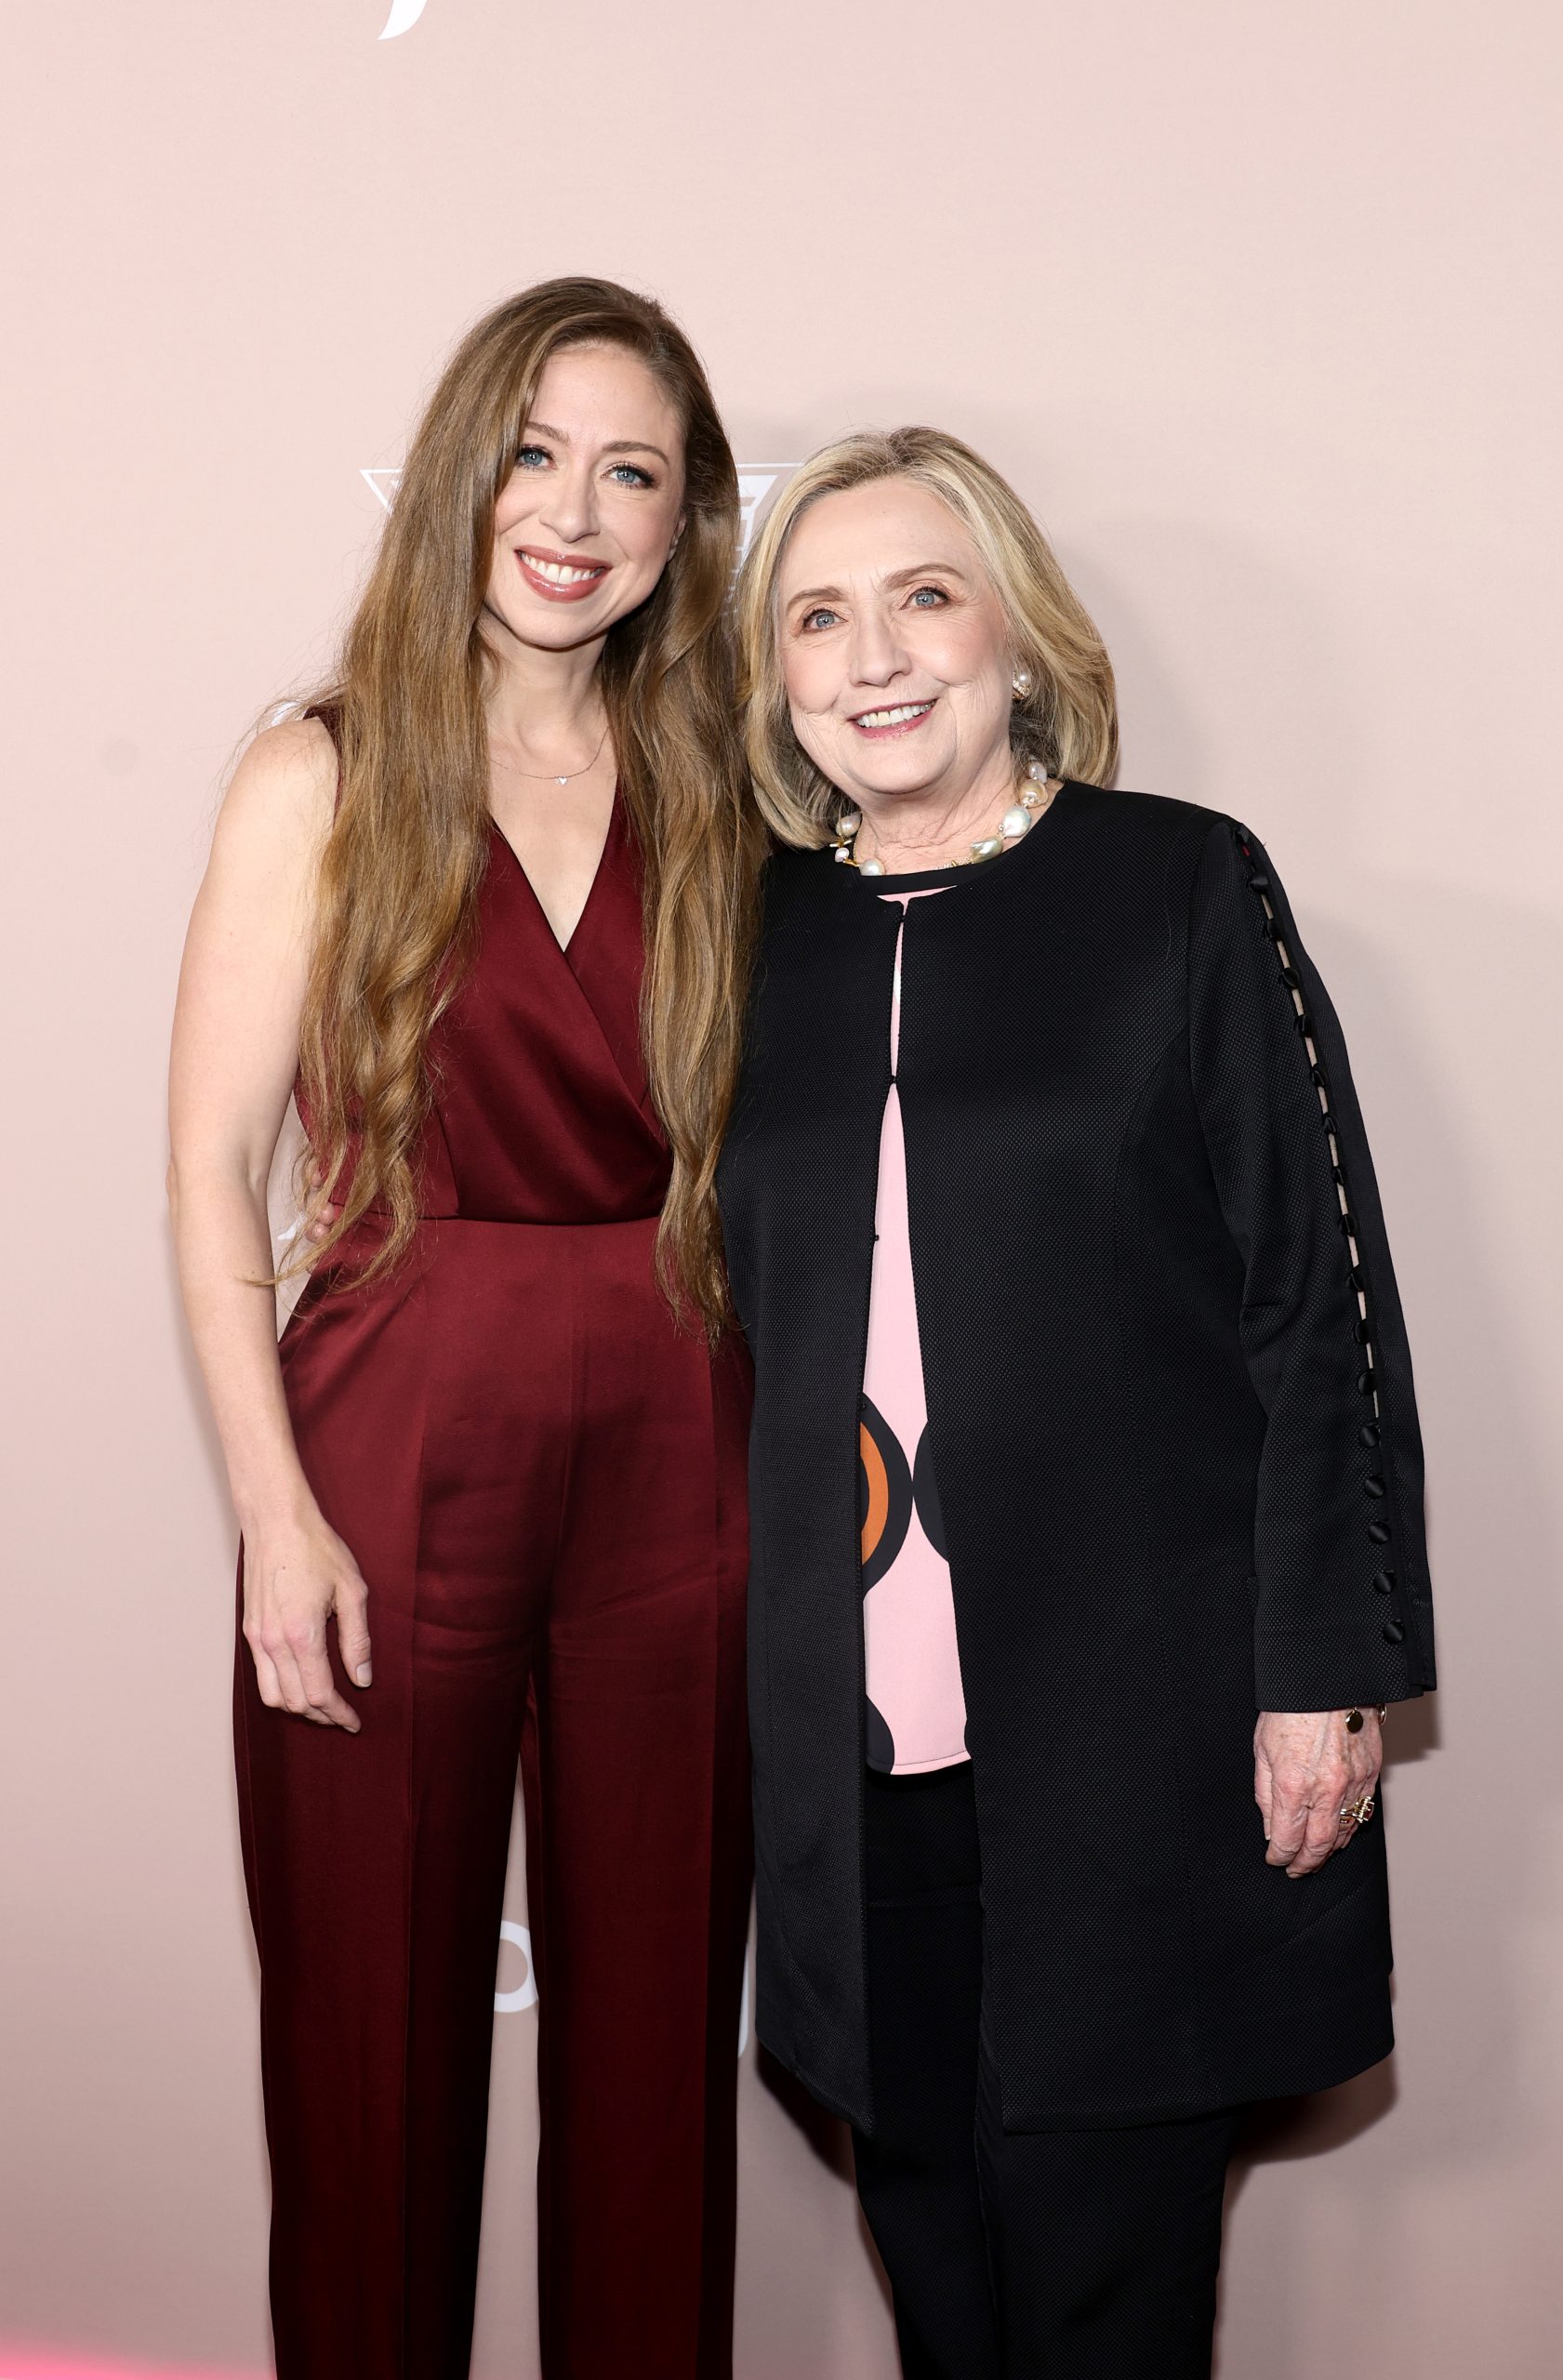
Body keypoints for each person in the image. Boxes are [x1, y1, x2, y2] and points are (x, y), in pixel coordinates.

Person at [717, 427, 1437, 2379]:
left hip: (1138, 1732)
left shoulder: (1176, 884)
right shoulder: (746, 936)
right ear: (773, 680)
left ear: (1018, 635)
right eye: (816, 617)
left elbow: (1315, 1299)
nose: (874, 656)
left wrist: (1324, 1668)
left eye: (922, 596)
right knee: (941, 2287)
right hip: (856, 1757)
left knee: (1106, 2303)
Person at [167, 278, 762, 2380]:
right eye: (535, 452)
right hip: (390, 1431)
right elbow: (211, 1169)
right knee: (367, 2052)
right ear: (459, 471)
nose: (573, 515)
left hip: (689, 1440)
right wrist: (272, 1512)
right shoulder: (318, 770)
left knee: (659, 2060)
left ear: (684, 525)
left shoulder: (732, 792)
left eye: (633, 473)